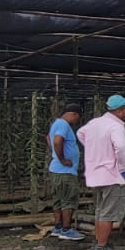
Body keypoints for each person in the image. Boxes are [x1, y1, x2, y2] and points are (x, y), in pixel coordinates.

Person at [76, 94, 125, 250]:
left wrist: (94, 149)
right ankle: (102, 247)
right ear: (120, 110)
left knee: (100, 209)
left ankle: (99, 241)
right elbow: (121, 147)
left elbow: (80, 133)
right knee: (108, 211)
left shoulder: (95, 123)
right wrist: (122, 165)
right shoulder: (116, 126)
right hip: (111, 174)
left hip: (95, 173)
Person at [45, 102, 86, 242]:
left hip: (56, 169)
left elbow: (48, 138)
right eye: (78, 118)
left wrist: (55, 154)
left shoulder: (56, 123)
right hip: (65, 171)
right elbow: (57, 141)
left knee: (58, 198)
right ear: (74, 114)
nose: (77, 122)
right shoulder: (63, 125)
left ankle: (58, 226)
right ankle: (67, 229)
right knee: (69, 198)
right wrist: (62, 159)